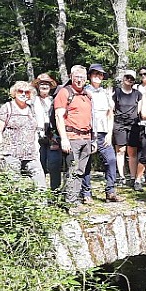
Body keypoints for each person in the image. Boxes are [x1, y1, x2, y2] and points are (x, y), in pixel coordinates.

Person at [54, 64, 95, 210]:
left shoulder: (87, 95)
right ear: (71, 77)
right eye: (77, 76)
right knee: (72, 171)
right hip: (72, 138)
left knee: (80, 172)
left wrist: (93, 139)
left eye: (82, 77)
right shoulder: (64, 93)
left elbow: (91, 118)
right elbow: (59, 116)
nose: (79, 80)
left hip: (86, 138)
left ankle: (74, 200)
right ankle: (70, 203)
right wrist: (64, 139)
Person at [0, 81, 46, 189]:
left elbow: (34, 131)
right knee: (13, 187)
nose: (23, 94)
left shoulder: (31, 109)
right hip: (10, 154)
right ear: (14, 93)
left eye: (26, 92)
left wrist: (37, 150)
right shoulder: (7, 108)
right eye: (20, 91)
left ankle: (42, 206)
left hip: (31, 154)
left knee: (41, 184)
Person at [85, 64, 124, 202]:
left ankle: (110, 191)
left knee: (111, 160)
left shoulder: (105, 93)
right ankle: (86, 193)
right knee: (86, 163)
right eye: (95, 74)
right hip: (87, 132)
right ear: (89, 76)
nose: (98, 76)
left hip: (103, 132)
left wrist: (109, 133)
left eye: (100, 74)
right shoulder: (84, 92)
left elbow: (110, 114)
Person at [113, 69, 145, 188]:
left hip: (133, 124)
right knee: (120, 150)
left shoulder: (137, 94)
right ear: (123, 78)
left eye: (132, 78)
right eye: (127, 77)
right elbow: (112, 109)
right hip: (119, 123)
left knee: (132, 151)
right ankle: (121, 176)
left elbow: (140, 111)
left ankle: (132, 177)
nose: (129, 80)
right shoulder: (116, 92)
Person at [31, 73, 63, 190]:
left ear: (50, 86)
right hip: (37, 135)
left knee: (54, 164)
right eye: (42, 84)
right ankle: (40, 191)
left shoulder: (55, 100)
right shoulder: (32, 101)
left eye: (47, 84)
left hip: (53, 135)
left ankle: (56, 192)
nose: (44, 86)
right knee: (39, 165)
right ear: (38, 86)